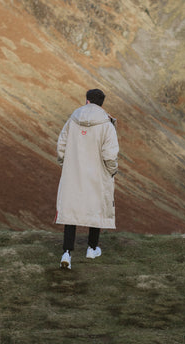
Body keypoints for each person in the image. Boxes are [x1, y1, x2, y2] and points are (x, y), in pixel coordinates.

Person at [55, 88, 119, 269]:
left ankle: (66, 253)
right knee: (96, 207)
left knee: (70, 209)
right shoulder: (107, 124)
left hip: (73, 172)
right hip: (97, 173)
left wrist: (64, 164)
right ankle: (92, 249)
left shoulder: (73, 119)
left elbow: (61, 145)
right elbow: (110, 155)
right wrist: (111, 171)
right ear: (101, 104)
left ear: (87, 101)